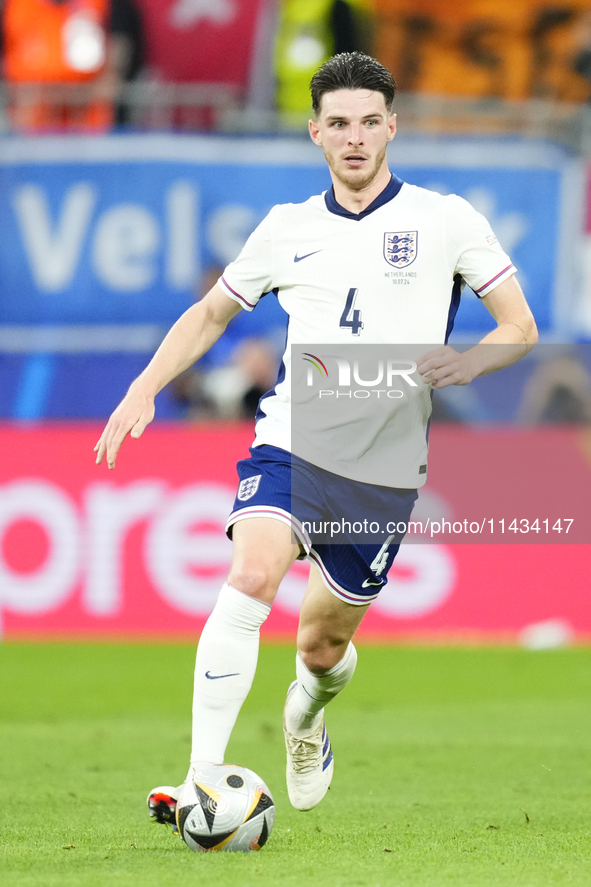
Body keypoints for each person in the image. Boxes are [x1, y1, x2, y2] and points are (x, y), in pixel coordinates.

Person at [94, 51, 537, 822]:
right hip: (293, 441)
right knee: (251, 576)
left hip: (385, 471)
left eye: (369, 122)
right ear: (314, 133)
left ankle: (305, 718)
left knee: (321, 649)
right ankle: (202, 778)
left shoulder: (445, 219)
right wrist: (143, 386)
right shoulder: (285, 230)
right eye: (338, 124)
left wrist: (467, 363)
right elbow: (209, 314)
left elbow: (520, 327)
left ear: (392, 127)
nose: (355, 138)